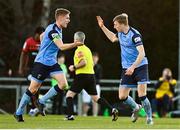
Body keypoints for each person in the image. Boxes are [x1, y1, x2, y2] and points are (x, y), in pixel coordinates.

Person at [14, 8, 83, 122]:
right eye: (67, 18)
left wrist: (44, 44)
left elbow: (42, 37)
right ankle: (18, 112)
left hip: (52, 63)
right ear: (60, 18)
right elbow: (61, 47)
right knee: (33, 89)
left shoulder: (54, 28)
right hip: (42, 63)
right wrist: (75, 44)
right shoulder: (53, 31)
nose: (69, 20)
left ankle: (41, 101)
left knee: (63, 84)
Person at [96, 14, 153, 124]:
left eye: (115, 24)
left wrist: (133, 67)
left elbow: (142, 53)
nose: (114, 26)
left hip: (140, 66)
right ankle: (136, 107)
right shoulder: (121, 33)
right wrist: (102, 26)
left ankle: (149, 118)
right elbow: (113, 38)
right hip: (127, 67)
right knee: (122, 96)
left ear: (122, 24)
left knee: (142, 94)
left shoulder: (134, 35)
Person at [65, 31, 118, 121]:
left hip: (82, 76)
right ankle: (112, 109)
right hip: (91, 76)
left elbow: (84, 62)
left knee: (69, 95)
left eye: (74, 39)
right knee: (96, 98)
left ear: (77, 39)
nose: (74, 40)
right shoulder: (87, 49)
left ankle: (70, 116)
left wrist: (74, 67)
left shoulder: (79, 50)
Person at [18, 26, 45, 116]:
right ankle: (34, 106)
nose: (42, 37)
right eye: (41, 35)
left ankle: (33, 106)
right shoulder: (29, 42)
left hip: (39, 69)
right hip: (29, 70)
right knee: (33, 86)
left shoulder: (43, 42)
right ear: (36, 34)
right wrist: (21, 68)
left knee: (36, 88)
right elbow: (23, 54)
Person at [82, 52, 102, 116]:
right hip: (87, 86)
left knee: (96, 102)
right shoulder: (87, 65)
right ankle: (84, 114)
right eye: (93, 57)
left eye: (95, 58)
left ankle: (95, 115)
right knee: (85, 101)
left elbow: (99, 78)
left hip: (96, 86)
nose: (94, 59)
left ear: (98, 59)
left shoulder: (99, 67)